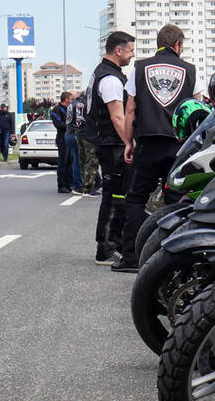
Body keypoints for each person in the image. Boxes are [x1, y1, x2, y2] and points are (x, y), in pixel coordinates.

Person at [113, 24, 202, 273]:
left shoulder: (139, 68)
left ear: (158, 44)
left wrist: (129, 142)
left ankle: (130, 258)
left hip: (147, 142)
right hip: (178, 144)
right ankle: (172, 259)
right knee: (176, 200)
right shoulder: (191, 70)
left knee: (135, 198)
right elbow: (197, 109)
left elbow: (130, 109)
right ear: (178, 46)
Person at [85, 31, 135, 265]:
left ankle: (110, 244)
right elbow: (117, 117)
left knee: (115, 195)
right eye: (130, 50)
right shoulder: (111, 79)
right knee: (115, 197)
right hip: (111, 145)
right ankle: (106, 248)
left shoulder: (102, 72)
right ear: (119, 50)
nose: (132, 55)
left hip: (106, 143)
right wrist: (129, 142)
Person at [72, 92, 101, 197]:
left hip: (79, 133)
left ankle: (85, 186)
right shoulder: (89, 104)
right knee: (92, 161)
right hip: (89, 135)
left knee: (83, 161)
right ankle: (88, 188)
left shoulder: (79, 104)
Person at [50, 92, 73, 193]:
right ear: (66, 99)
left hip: (70, 137)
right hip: (62, 138)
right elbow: (58, 124)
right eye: (71, 99)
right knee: (63, 162)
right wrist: (70, 125)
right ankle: (61, 185)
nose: (72, 101)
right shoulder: (57, 110)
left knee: (70, 162)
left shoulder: (69, 108)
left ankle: (69, 184)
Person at [64, 93, 83, 195]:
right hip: (75, 133)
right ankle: (78, 185)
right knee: (79, 161)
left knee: (75, 159)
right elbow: (81, 121)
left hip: (68, 133)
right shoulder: (80, 105)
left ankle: (76, 184)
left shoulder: (71, 105)